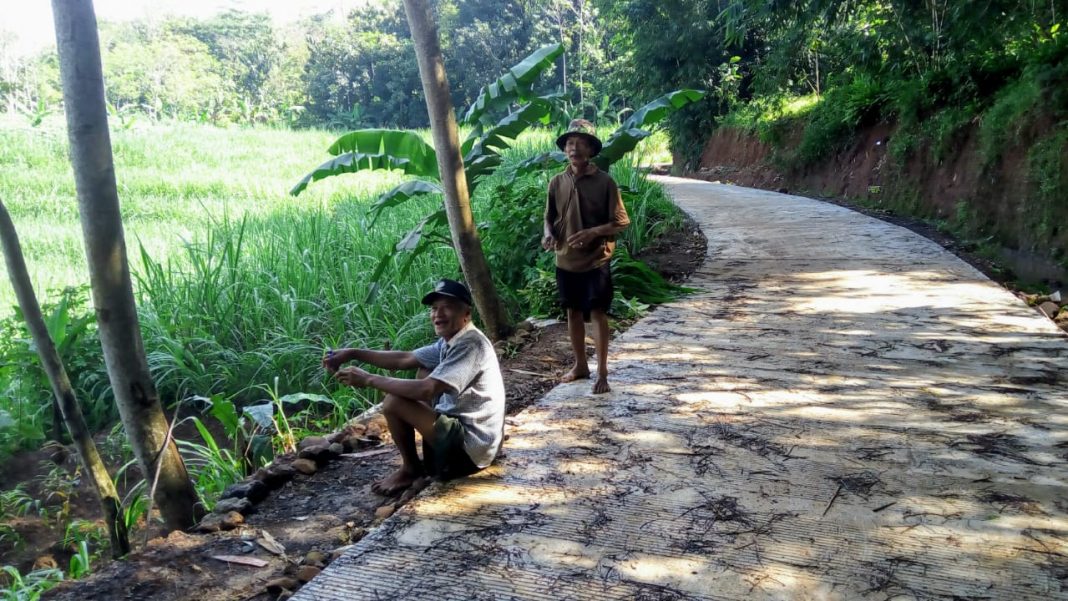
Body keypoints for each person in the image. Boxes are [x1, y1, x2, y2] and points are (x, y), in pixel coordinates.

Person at [322, 279, 505, 495]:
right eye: (435, 308)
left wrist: (368, 379)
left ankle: (411, 469)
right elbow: (405, 359)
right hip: (472, 440)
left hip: (471, 451)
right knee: (424, 369)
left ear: (466, 313)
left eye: (446, 307)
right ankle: (424, 461)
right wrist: (353, 352)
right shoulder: (452, 340)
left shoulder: (471, 344)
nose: (438, 314)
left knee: (393, 401)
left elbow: (426, 390)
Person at [542, 119, 630, 394]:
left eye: (580, 143)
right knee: (573, 312)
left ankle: (602, 373)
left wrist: (593, 233)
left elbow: (621, 221)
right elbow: (549, 217)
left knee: (598, 313)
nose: (574, 148)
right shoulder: (557, 182)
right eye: (570, 143)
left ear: (591, 149)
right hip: (565, 259)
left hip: (596, 260)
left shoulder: (605, 182)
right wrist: (548, 234)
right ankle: (580, 365)